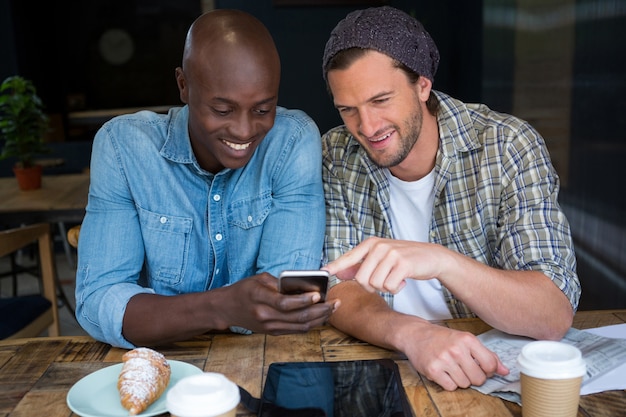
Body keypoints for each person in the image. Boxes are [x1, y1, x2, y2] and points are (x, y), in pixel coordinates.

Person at [320, 6, 580, 391]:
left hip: (490, 371)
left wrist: (442, 262)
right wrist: (414, 335)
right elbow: (340, 290)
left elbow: (552, 313)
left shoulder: (507, 146)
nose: (367, 127)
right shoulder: (337, 154)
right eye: (348, 110)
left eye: (381, 100)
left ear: (423, 85)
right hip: (391, 366)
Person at [75, 9, 336, 349]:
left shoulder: (291, 142)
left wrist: (189, 314)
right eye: (223, 110)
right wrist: (222, 307)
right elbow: (98, 302)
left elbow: (288, 304)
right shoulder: (124, 147)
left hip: (261, 360)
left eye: (263, 109)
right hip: (164, 365)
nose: (244, 131)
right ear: (183, 85)